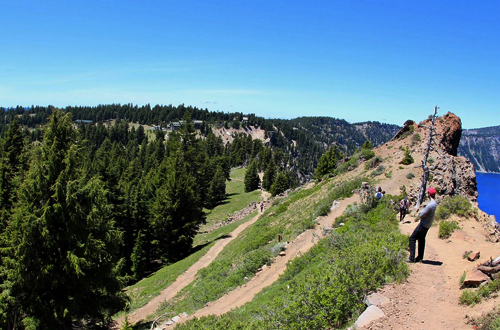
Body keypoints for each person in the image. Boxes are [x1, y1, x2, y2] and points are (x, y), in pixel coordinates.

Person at [406, 187, 437, 263]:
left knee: (412, 238)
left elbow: (422, 214)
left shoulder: (430, 205)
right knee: (421, 239)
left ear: (429, 194)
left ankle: (411, 258)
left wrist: (420, 215)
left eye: (428, 193)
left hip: (423, 224)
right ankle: (420, 257)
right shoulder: (434, 203)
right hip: (428, 225)